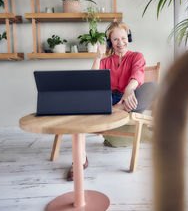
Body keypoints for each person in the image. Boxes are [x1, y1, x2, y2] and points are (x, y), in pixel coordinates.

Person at [66, 21, 158, 181]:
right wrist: (98, 57)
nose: (120, 43)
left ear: (128, 38)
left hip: (130, 100)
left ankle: (117, 108)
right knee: (90, 96)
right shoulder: (105, 61)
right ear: (110, 42)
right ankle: (80, 159)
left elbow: (138, 75)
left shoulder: (137, 56)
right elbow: (92, 81)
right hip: (109, 100)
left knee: (153, 87)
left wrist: (128, 91)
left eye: (123, 38)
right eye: (115, 39)